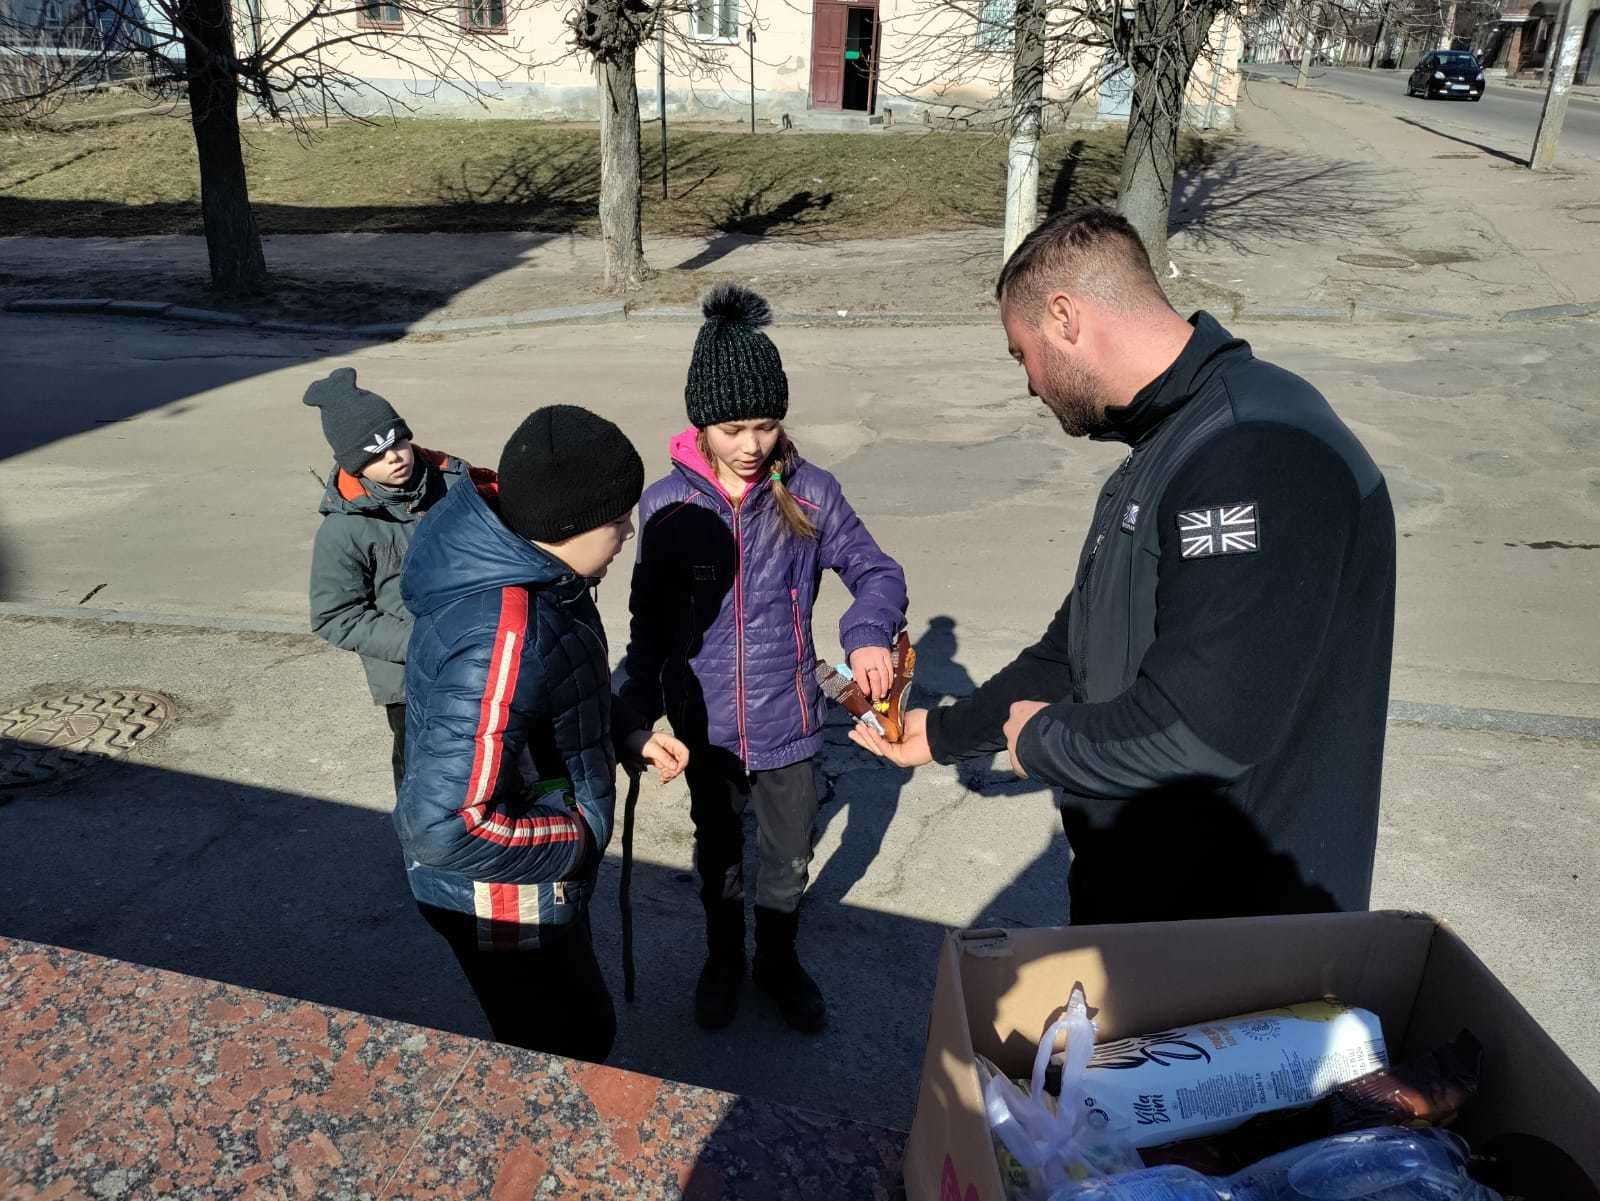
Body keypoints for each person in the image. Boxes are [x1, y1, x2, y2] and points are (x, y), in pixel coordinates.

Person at [851, 207, 1397, 926]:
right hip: (1147, 911)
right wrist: (944, 733)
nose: (1030, 384)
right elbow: (1069, 651)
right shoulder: (1169, 443)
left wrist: (1042, 742)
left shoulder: (1253, 450)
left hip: (1232, 943)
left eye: (1022, 353)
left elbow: (1200, 730)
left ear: (1066, 316)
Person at [618, 284, 908, 1034]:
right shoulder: (666, 508)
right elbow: (647, 626)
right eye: (732, 427)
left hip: (790, 722)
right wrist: (635, 709)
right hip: (703, 727)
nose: (751, 445)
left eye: (767, 424)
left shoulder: (811, 491)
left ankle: (777, 960)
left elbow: (875, 570)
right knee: (716, 855)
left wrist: (868, 631)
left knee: (786, 859)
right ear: (700, 424)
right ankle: (722, 959)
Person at [394, 405, 688, 1063]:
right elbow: (445, 825)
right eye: (618, 521)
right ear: (568, 525)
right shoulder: (503, 629)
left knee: (575, 1023)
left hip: (536, 863)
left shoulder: (546, 575)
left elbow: (553, 689)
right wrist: (577, 837)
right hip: (500, 896)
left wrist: (624, 731)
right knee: (564, 1044)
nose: (629, 531)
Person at [305, 367, 483, 795]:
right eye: (376, 453)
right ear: (354, 463)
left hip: (482, 652)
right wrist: (423, 640)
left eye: (397, 442)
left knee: (490, 757)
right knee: (424, 770)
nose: (395, 457)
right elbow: (335, 616)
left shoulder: (458, 485)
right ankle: (422, 850)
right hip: (410, 679)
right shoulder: (345, 529)